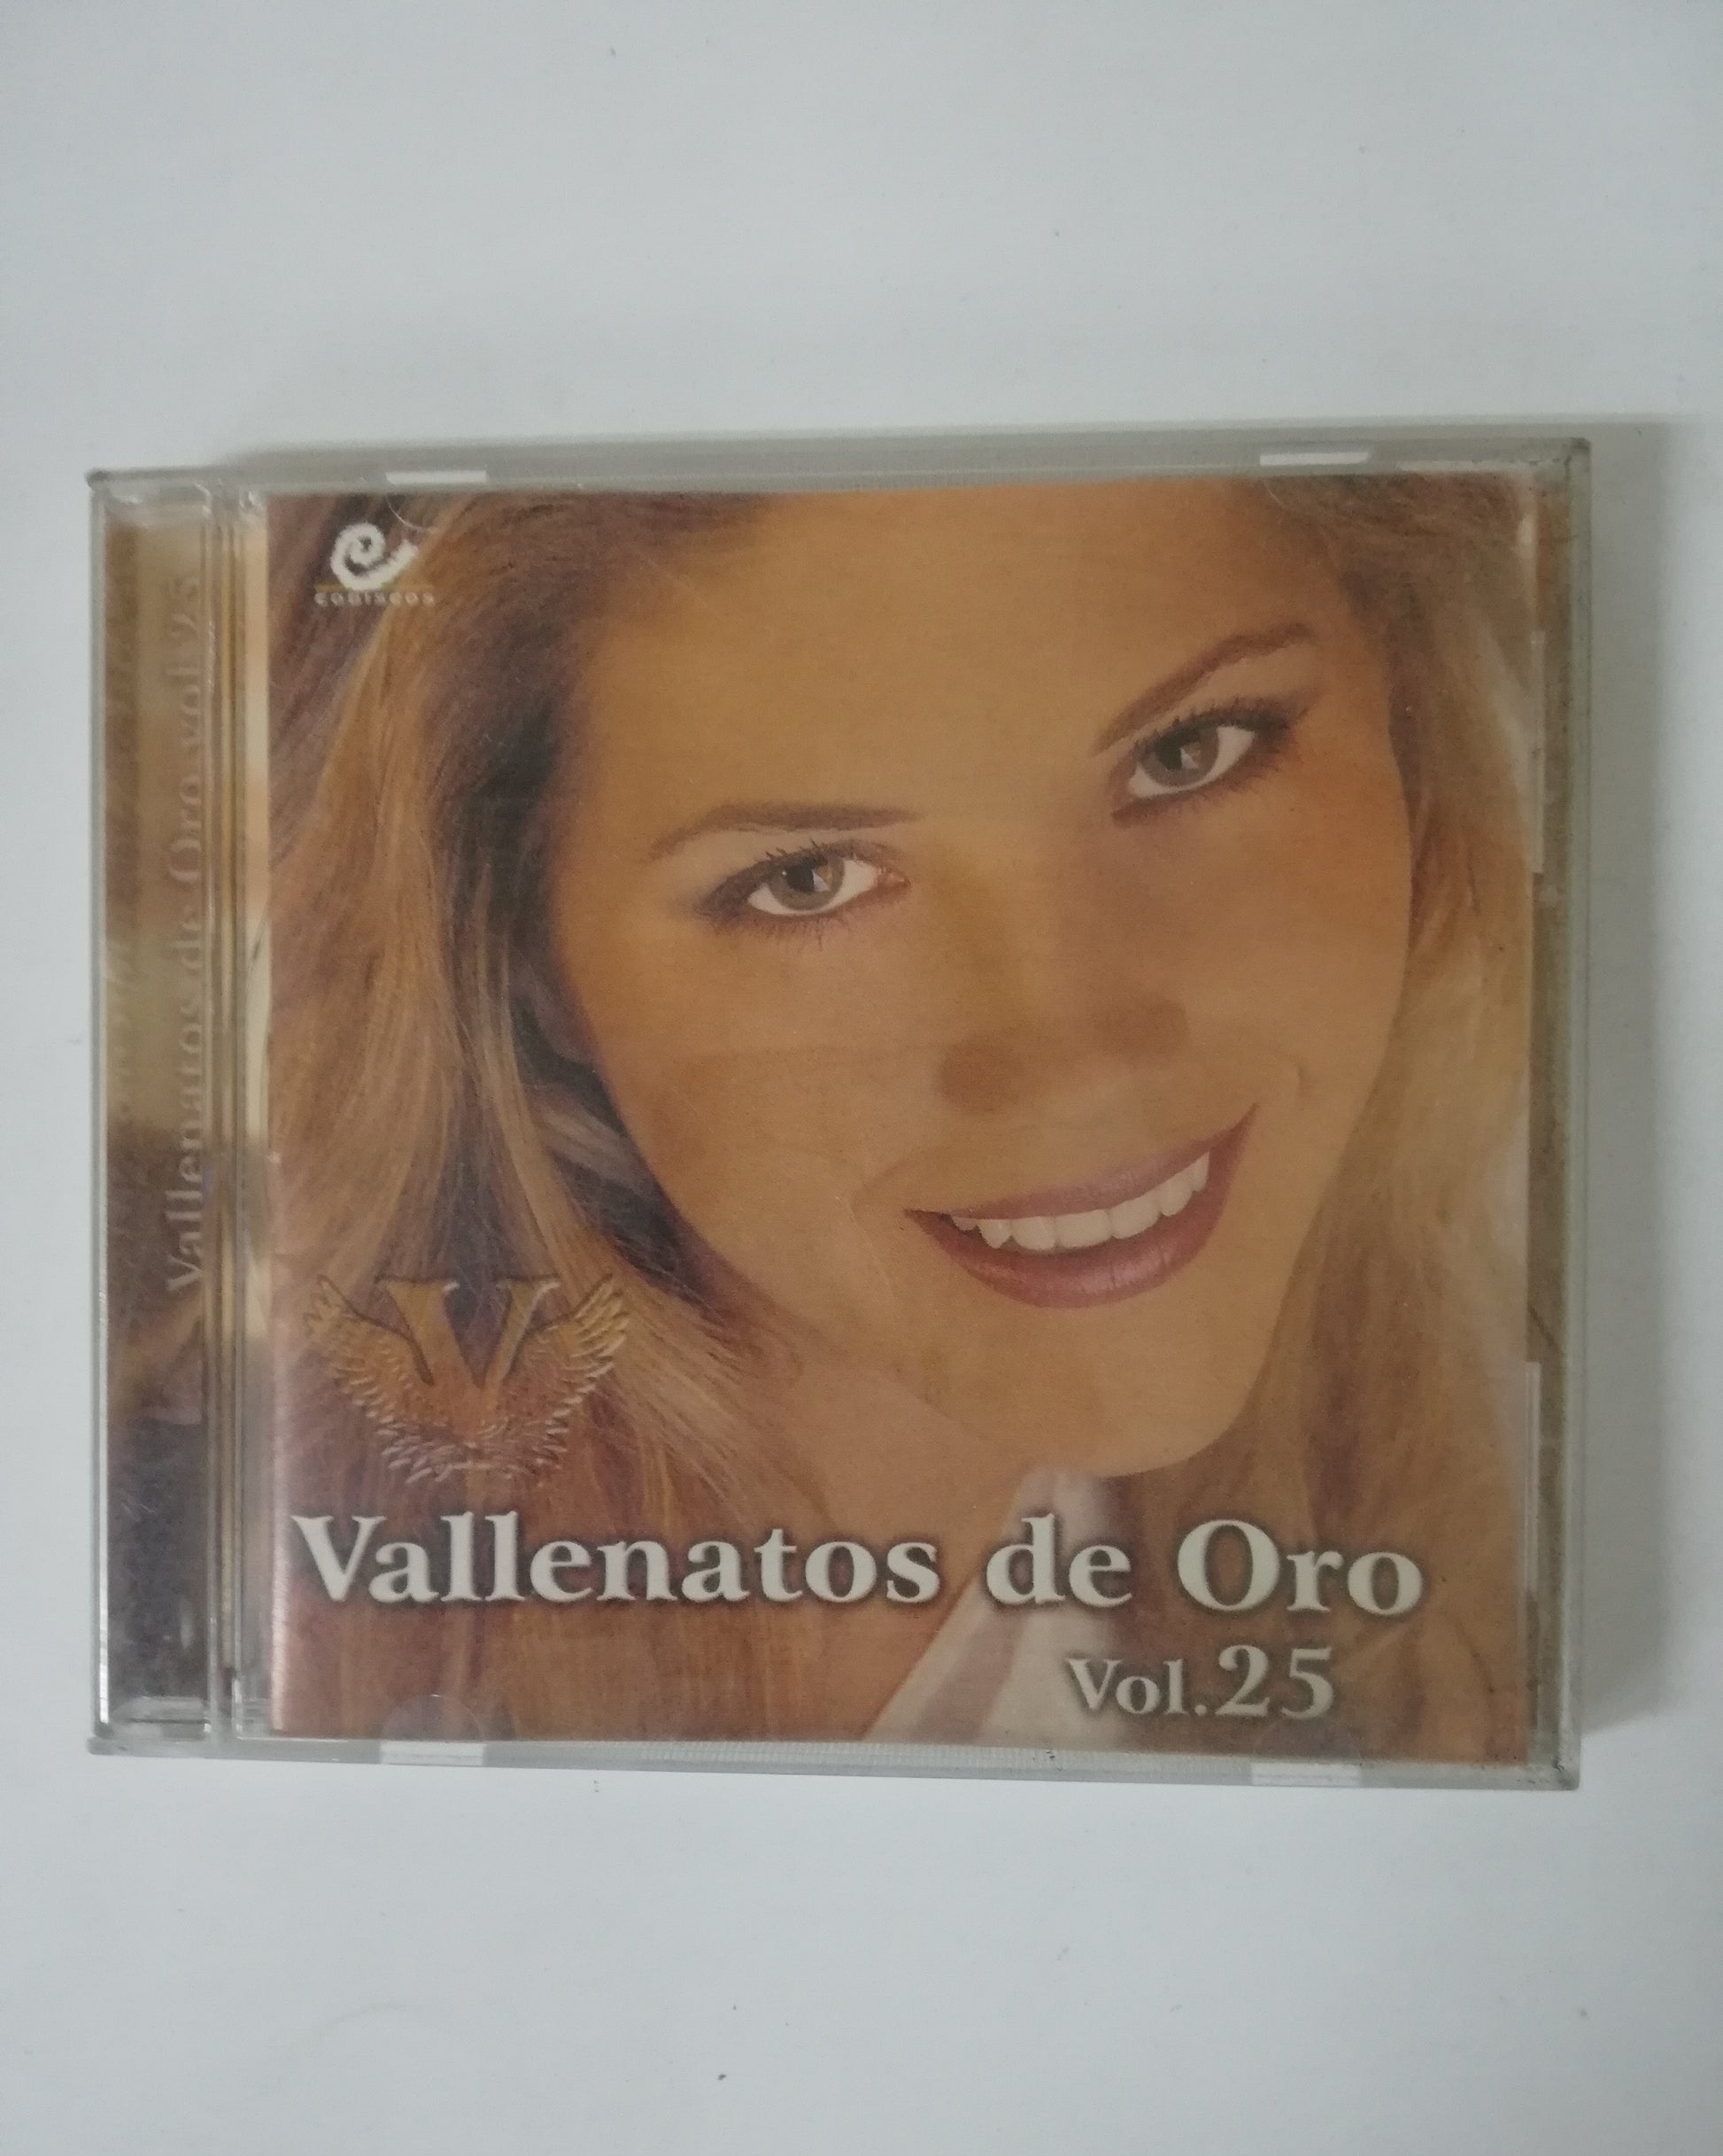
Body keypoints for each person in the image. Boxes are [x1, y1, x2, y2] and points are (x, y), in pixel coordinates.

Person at [267, 469, 1544, 1758]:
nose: (1076, 1062)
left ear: (1407, 716)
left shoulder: (1510, 1441)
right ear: (521, 966)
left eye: (1188, 753)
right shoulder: (286, 1625)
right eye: (808, 880)